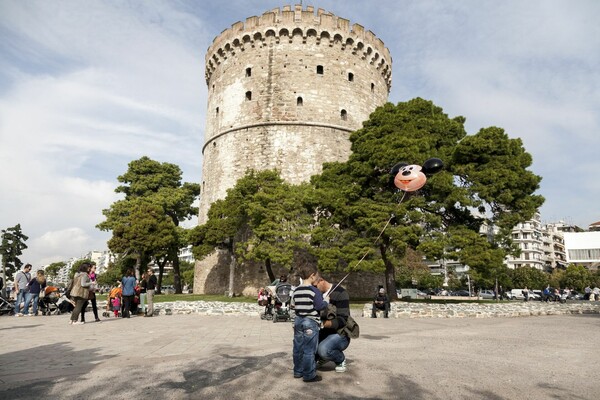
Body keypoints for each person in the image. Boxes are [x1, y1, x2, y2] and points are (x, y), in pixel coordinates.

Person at [292, 255, 328, 382]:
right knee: (309, 349)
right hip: (310, 323)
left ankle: (298, 371)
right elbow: (319, 306)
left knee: (298, 348)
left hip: (298, 321)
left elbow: (293, 306)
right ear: (312, 275)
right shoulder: (314, 291)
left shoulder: (296, 290)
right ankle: (309, 375)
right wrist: (326, 302)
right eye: (317, 276)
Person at [315, 274, 351, 373]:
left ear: (321, 280)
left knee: (323, 350)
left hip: (340, 334)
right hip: (322, 333)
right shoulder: (315, 294)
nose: (313, 289)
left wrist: (322, 324)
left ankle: (340, 359)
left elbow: (343, 320)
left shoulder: (341, 293)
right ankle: (323, 357)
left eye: (315, 286)